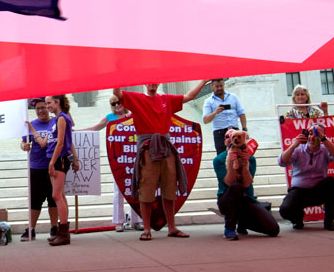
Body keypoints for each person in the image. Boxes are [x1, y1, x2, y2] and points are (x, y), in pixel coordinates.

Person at [112, 80, 209, 240]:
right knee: (147, 188)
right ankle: (147, 229)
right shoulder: (137, 98)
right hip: (148, 150)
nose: (152, 85)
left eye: (155, 82)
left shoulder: (166, 100)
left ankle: (172, 227)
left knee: (170, 187)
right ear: (144, 84)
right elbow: (117, 92)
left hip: (165, 148)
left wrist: (204, 80)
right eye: (149, 82)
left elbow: (189, 96)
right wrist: (118, 73)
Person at [82, 95, 141, 231]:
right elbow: (95, 128)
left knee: (136, 189)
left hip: (133, 157)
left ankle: (137, 220)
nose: (116, 105)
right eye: (113, 104)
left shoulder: (132, 115)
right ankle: (119, 221)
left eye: (118, 102)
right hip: (117, 159)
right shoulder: (110, 118)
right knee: (118, 191)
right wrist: (74, 132)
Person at [214, 129, 279, 240]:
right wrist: (231, 161)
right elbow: (230, 182)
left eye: (238, 136)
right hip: (226, 200)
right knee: (236, 187)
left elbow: (247, 183)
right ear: (225, 141)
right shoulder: (219, 160)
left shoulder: (250, 158)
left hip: (246, 199)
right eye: (229, 137)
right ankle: (229, 228)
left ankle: (243, 222)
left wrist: (244, 164)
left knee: (273, 229)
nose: (234, 139)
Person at [278, 122, 334, 231]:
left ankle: (329, 221)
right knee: (285, 209)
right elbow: (282, 162)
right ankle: (297, 219)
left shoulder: (325, 149)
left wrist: (322, 137)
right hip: (299, 191)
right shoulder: (298, 150)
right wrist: (293, 145)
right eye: (310, 134)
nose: (313, 137)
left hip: (318, 190)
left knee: (332, 182)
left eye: (316, 135)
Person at [43, 94, 78, 246]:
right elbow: (69, 142)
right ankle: (62, 230)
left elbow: (62, 142)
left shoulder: (62, 118)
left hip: (59, 159)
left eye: (49, 103)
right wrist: (75, 159)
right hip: (58, 158)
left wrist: (52, 162)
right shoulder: (59, 118)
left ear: (57, 102)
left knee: (56, 195)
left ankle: (63, 233)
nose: (47, 106)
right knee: (60, 195)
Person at [21, 99, 59, 241]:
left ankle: (54, 227)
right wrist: (23, 146)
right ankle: (31, 228)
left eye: (43, 107)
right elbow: (24, 142)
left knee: (53, 199)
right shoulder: (32, 124)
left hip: (53, 166)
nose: (41, 111)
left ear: (48, 107)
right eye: (38, 108)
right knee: (35, 200)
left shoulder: (55, 122)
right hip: (36, 167)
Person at [202, 79, 247, 152]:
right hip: (220, 133)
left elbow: (241, 113)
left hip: (235, 132)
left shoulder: (233, 97)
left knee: (239, 154)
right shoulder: (208, 101)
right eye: (217, 86)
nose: (219, 88)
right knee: (222, 156)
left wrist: (244, 129)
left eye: (221, 86)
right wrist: (215, 113)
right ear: (211, 86)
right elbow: (205, 120)